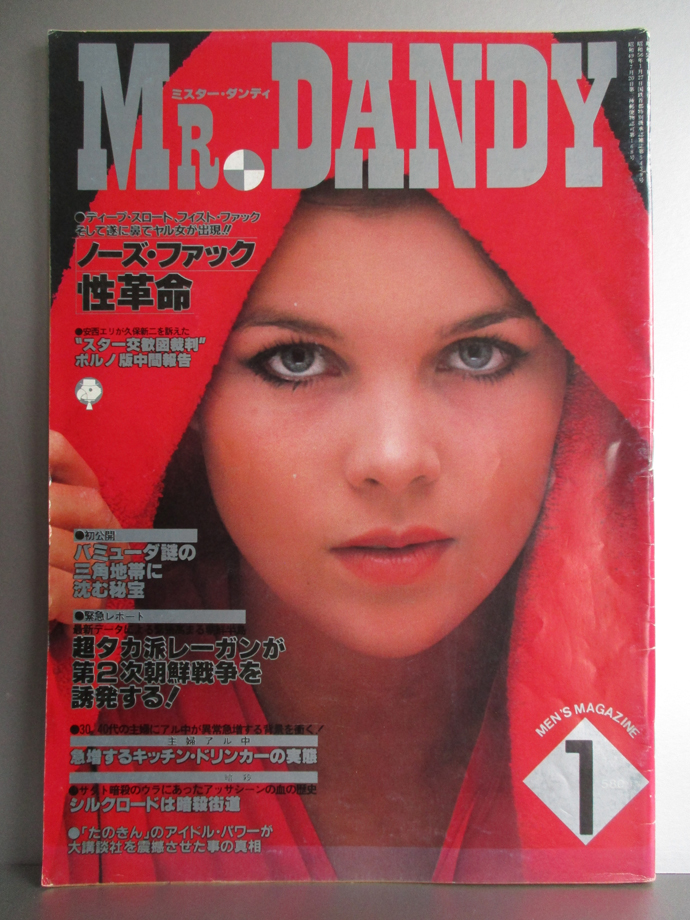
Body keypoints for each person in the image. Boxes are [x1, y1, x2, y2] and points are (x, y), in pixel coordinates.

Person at [48, 177, 650, 884]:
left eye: (477, 354)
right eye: (295, 360)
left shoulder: (655, 694)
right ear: (190, 394)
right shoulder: (65, 690)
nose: (393, 461)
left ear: (578, 391)